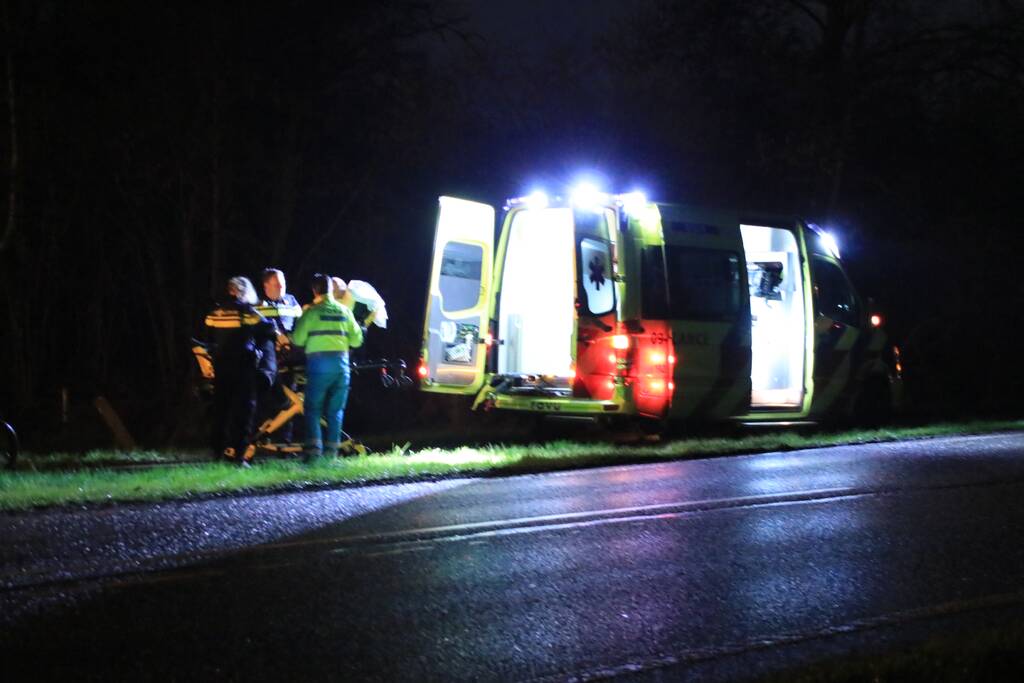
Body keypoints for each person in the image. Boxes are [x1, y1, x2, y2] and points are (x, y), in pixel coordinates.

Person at [204, 276, 276, 467]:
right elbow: (268, 327)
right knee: (244, 412)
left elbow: (208, 337)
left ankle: (217, 453)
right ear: (241, 292)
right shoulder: (246, 312)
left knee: (221, 410)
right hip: (243, 368)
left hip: (221, 367)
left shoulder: (215, 313)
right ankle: (239, 455)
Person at [292, 274, 364, 462]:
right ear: (331, 289)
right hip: (342, 367)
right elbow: (357, 341)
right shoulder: (345, 311)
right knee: (335, 411)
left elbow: (297, 339)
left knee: (313, 409)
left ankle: (314, 454)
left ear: (315, 290)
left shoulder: (311, 312)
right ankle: (331, 456)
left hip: (319, 366)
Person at [255, 268, 304, 443]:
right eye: (277, 284)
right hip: (269, 360)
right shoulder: (258, 304)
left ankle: (285, 442)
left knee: (290, 400)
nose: (282, 286)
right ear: (266, 285)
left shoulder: (291, 301)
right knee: (269, 400)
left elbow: (301, 323)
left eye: (283, 283)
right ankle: (263, 438)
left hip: (291, 358)